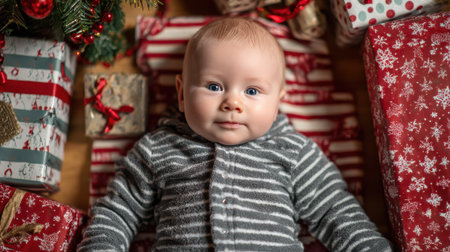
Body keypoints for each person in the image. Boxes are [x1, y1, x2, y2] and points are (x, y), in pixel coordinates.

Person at [77, 17, 392, 251]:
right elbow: (118, 212)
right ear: (182, 93)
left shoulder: (293, 151)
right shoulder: (158, 149)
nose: (232, 102)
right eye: (214, 87)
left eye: (253, 90)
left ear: (278, 100)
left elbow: (335, 211)